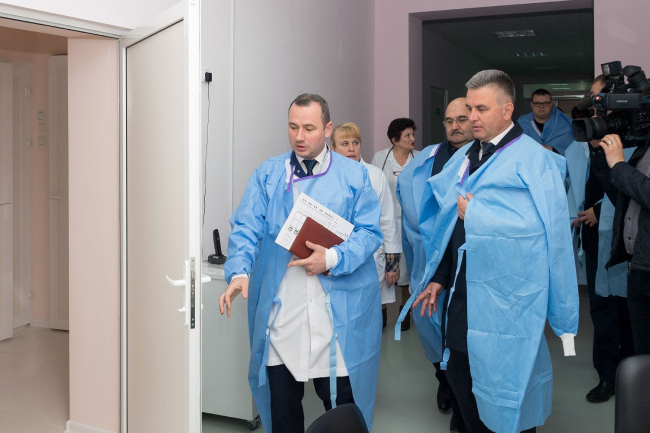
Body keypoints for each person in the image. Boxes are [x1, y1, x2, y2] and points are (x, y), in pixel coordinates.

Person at [415, 70, 579, 433]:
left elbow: (548, 234)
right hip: (463, 295)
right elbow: (449, 224)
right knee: (461, 376)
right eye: (469, 108)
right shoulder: (465, 156)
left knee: (509, 393)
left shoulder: (534, 160)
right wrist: (440, 276)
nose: (471, 117)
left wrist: (477, 213)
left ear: (507, 111)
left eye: (481, 109)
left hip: (510, 300)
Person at [219, 93, 383, 433]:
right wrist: (239, 271)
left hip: (337, 312)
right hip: (284, 312)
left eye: (309, 128)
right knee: (283, 409)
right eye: (293, 127)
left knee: (342, 409)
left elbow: (369, 232)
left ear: (328, 128)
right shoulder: (268, 174)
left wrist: (332, 257)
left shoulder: (354, 175)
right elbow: (246, 226)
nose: (299, 136)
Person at [396, 98, 473, 433]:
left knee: (463, 340)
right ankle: (444, 381)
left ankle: (462, 403)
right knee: (431, 332)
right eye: (449, 120)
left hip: (467, 268)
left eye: (462, 119)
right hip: (428, 266)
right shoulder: (424, 161)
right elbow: (409, 222)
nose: (455, 126)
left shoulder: (486, 159)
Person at [567, 75, 634, 403]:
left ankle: (633, 376)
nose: (596, 103)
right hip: (594, 239)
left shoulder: (632, 140)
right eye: (593, 97)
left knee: (629, 312)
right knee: (602, 311)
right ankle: (607, 376)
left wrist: (600, 209)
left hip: (626, 240)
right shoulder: (585, 139)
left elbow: (633, 189)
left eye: (602, 96)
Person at [330, 122, 402, 329]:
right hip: (336, 256)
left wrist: (392, 264)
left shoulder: (375, 175)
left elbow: (387, 220)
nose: (351, 148)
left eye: (356, 142)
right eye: (345, 143)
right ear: (332, 149)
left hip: (371, 257)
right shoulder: (326, 177)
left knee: (370, 315)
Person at [589, 130, 650, 357]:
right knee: (642, 356)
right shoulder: (645, 146)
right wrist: (601, 156)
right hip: (638, 267)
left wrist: (619, 165)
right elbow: (624, 200)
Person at [371, 118, 420, 331]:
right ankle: (381, 311)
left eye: (412, 134)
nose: (412, 139)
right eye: (407, 135)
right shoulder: (380, 158)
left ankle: (404, 311)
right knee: (384, 267)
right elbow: (372, 188)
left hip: (410, 223)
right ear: (394, 139)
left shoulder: (419, 158)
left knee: (408, 268)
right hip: (386, 222)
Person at [517, 88, 574, 155]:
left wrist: (551, 149)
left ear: (551, 104)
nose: (541, 107)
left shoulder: (565, 124)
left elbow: (572, 152)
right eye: (537, 103)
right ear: (531, 104)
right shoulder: (521, 124)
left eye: (545, 103)